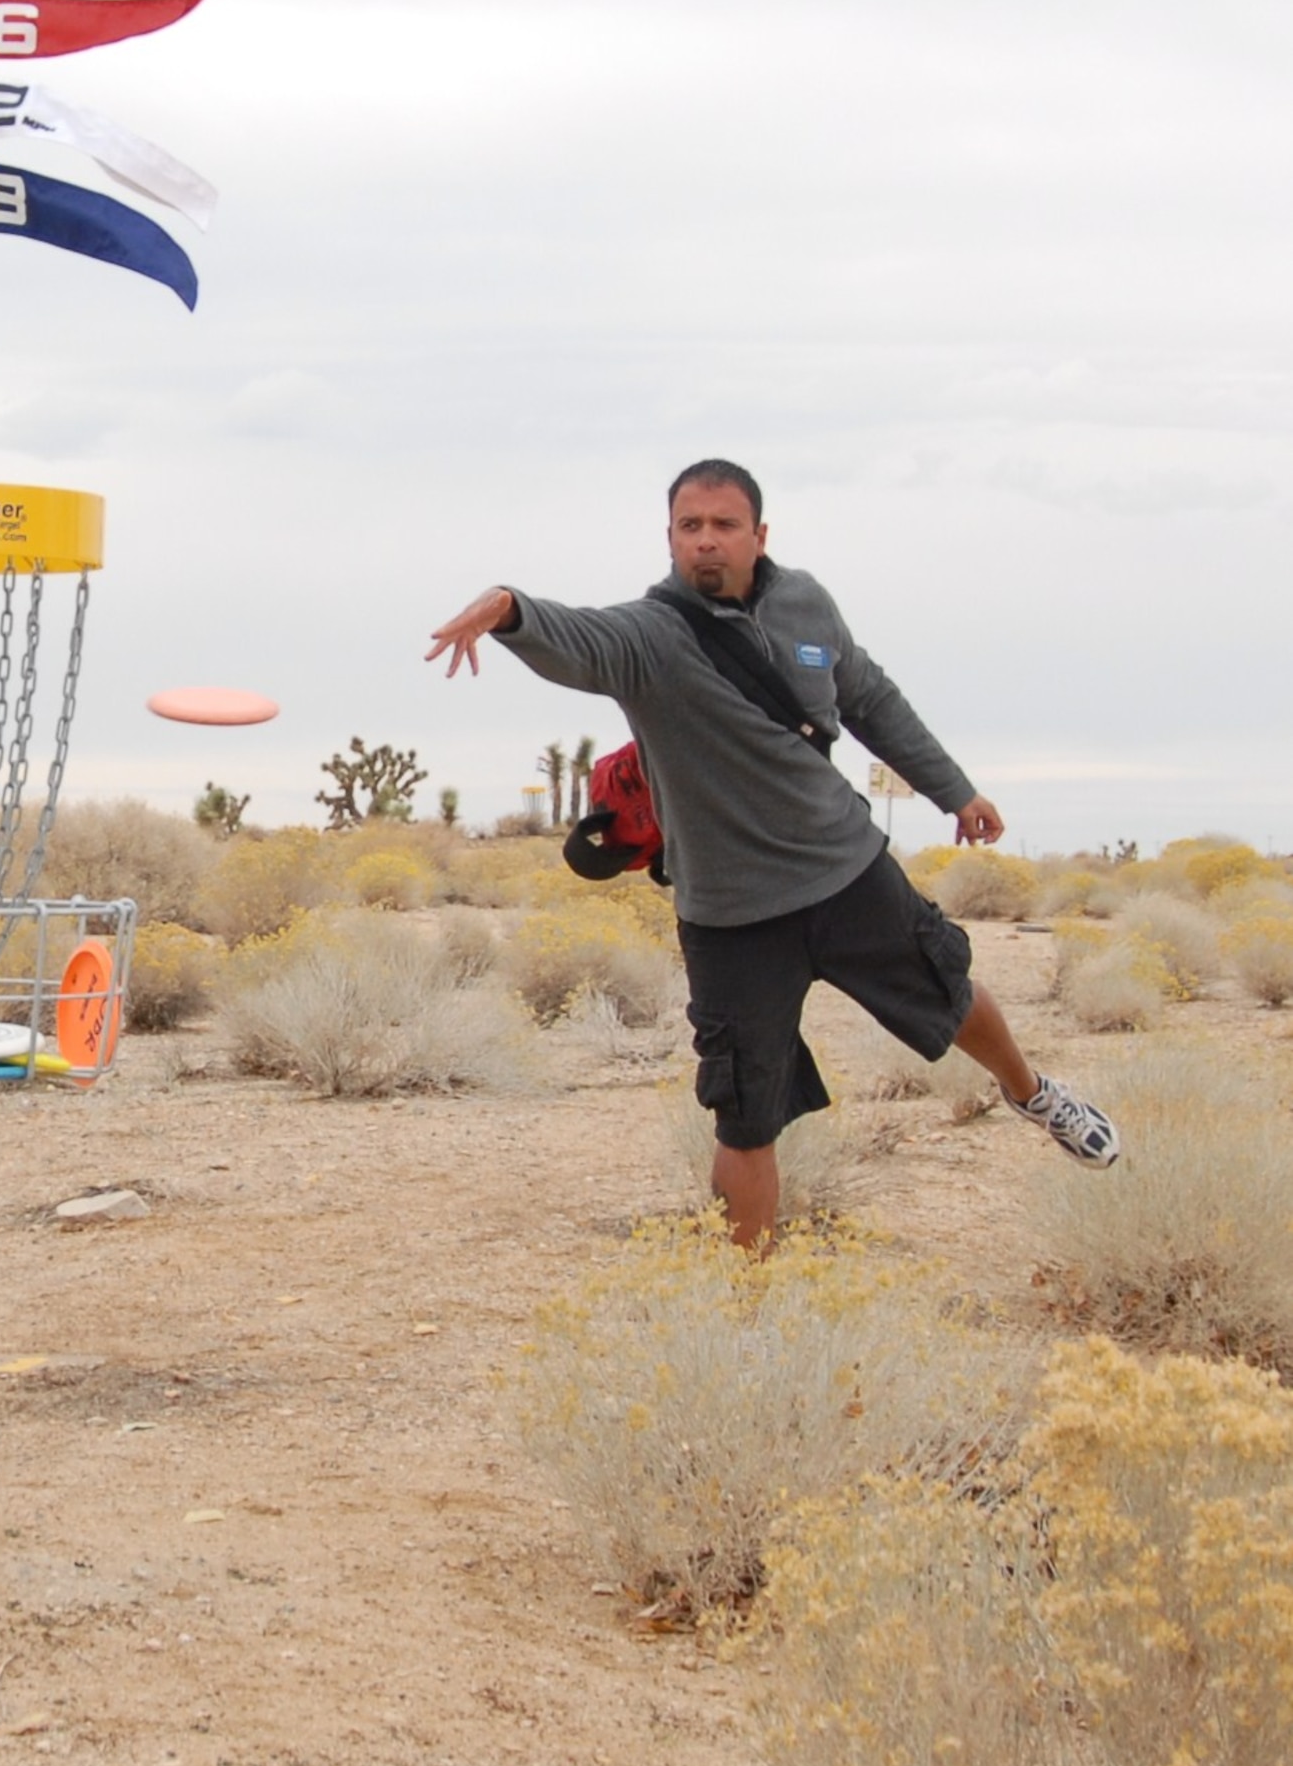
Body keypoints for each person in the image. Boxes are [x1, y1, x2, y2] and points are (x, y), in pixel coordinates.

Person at [425, 457, 1119, 1250]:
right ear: (669, 538)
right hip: (731, 917)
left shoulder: (804, 603)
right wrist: (510, 611)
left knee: (949, 991)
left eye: (724, 526)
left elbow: (867, 699)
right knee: (745, 1117)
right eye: (690, 528)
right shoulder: (650, 637)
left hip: (844, 872)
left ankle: (1032, 1095)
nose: (706, 543)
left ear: (759, 534)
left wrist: (953, 792)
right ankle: (747, 1310)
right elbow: (578, 638)